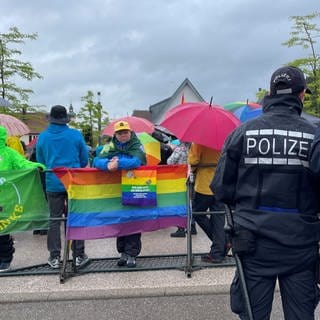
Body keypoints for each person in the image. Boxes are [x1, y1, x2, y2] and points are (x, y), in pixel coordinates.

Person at [211, 66, 320, 319]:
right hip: (301, 245)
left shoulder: (242, 133)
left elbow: (221, 189)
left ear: (270, 93)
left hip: (253, 243)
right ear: (301, 95)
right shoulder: (314, 135)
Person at [36, 105, 89, 269]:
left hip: (53, 181)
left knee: (54, 219)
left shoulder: (43, 137)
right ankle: (78, 255)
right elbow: (84, 158)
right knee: (75, 217)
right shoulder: (75, 135)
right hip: (72, 181)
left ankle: (54, 257)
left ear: (50, 118)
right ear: (66, 118)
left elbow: (41, 161)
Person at [94, 120, 146, 268]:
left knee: (134, 220)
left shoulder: (137, 145)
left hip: (134, 188)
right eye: (120, 133)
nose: (123, 136)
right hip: (115, 190)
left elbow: (137, 161)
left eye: (125, 132)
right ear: (115, 134)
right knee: (120, 220)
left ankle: (132, 254)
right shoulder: (110, 146)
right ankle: (122, 252)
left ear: (130, 132)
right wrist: (108, 165)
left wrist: (118, 163)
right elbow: (97, 160)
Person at [0, 125, 46, 271]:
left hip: (6, 197)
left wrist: (36, 166)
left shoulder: (9, 153)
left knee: (3, 228)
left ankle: (6, 257)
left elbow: (22, 163)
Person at [188, 142, 226, 263]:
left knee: (197, 213)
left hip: (205, 184)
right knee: (219, 217)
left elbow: (193, 161)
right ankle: (219, 250)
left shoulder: (199, 142)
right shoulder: (224, 140)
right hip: (220, 183)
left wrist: (193, 169)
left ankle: (221, 244)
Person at [167, 141, 197, 237]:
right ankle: (192, 227)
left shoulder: (180, 148)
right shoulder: (195, 147)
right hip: (193, 179)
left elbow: (170, 162)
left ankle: (181, 228)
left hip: (181, 180)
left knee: (181, 203)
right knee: (190, 203)